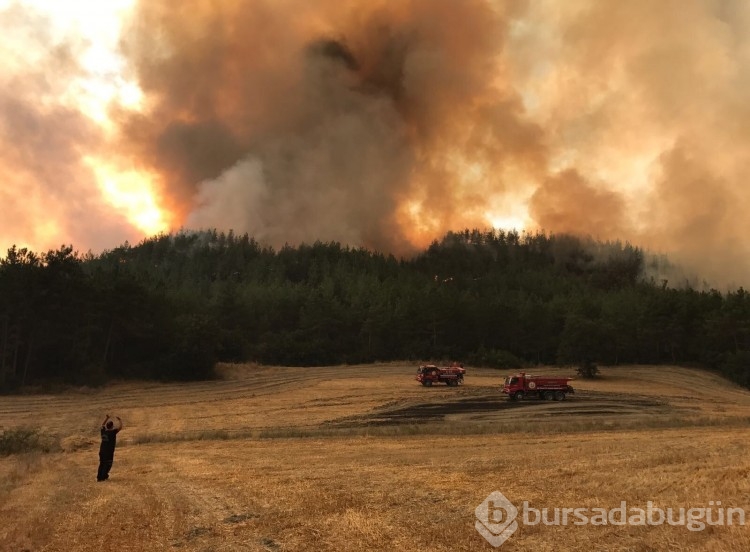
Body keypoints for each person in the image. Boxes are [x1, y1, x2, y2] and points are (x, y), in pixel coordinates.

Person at [97, 414, 123, 482]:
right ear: (112, 427)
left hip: (102, 451)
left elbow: (102, 425)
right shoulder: (112, 433)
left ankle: (99, 477)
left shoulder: (103, 431)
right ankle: (103, 477)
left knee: (101, 464)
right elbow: (120, 427)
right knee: (107, 464)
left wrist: (107, 418)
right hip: (108, 452)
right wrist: (120, 420)